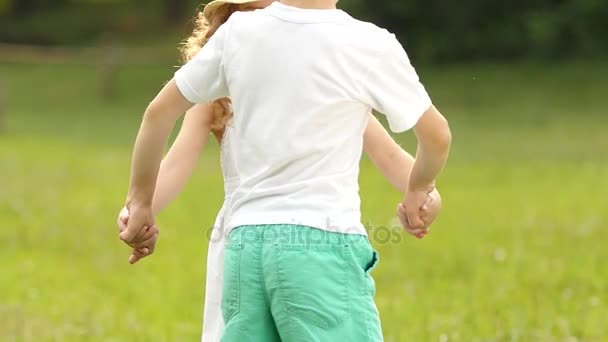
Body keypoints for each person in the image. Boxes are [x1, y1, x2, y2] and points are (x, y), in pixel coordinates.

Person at [118, 0, 451, 340]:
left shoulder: (252, 45)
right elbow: (176, 163)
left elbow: (392, 158)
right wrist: (421, 188)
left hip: (245, 245)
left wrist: (139, 204)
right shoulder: (357, 47)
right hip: (319, 239)